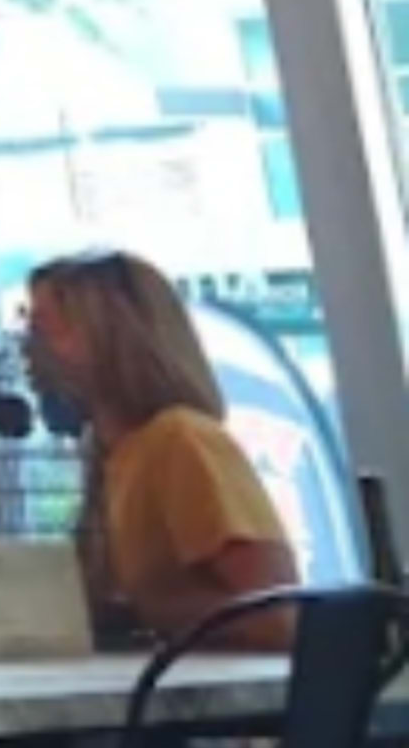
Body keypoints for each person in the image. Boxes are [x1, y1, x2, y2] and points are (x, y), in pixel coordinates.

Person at [26, 250, 294, 643]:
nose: (29, 353)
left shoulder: (182, 441)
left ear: (111, 336)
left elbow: (278, 616)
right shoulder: (109, 456)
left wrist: (142, 613)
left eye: (45, 331)